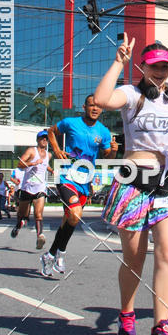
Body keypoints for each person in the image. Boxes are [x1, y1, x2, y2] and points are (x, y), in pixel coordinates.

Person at [95, 34, 168, 335]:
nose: (160, 72)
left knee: (167, 253)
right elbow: (101, 100)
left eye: (165, 67)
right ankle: (127, 314)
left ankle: (161, 326)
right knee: (134, 258)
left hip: (167, 181)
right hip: (133, 179)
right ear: (143, 67)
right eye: (154, 66)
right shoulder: (129, 94)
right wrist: (119, 62)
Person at [40, 96, 116, 277]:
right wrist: (57, 150)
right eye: (91, 105)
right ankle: (61, 254)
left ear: (102, 110)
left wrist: (113, 150)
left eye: (98, 106)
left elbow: (107, 159)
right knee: (75, 213)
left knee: (70, 220)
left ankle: (50, 255)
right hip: (66, 174)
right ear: (85, 106)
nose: (95, 109)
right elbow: (51, 131)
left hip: (85, 179)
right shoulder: (71, 122)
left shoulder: (103, 132)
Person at [11, 131, 51, 249]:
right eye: (42, 138)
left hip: (40, 188)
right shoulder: (31, 151)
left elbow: (45, 165)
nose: (45, 140)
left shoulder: (49, 155)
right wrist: (33, 163)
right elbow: (20, 164)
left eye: (46, 139)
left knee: (38, 214)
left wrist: (52, 170)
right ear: (37, 140)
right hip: (27, 187)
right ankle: (18, 226)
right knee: (22, 214)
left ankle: (40, 236)